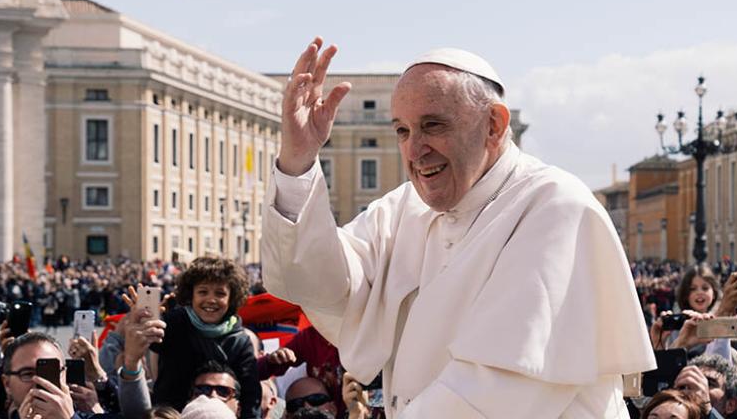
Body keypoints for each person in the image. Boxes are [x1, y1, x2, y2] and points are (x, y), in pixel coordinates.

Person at [261, 37, 655, 417]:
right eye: (402, 131)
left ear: (494, 125)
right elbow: (314, 281)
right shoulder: (403, 209)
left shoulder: (555, 206)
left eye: (433, 126)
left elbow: (496, 389)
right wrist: (298, 162)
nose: (415, 150)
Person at [148, 257, 260, 418]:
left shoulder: (240, 341)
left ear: (231, 299)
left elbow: (251, 395)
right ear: (191, 295)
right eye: (203, 292)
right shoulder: (172, 324)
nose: (211, 300)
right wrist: (142, 326)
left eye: (220, 293)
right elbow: (147, 345)